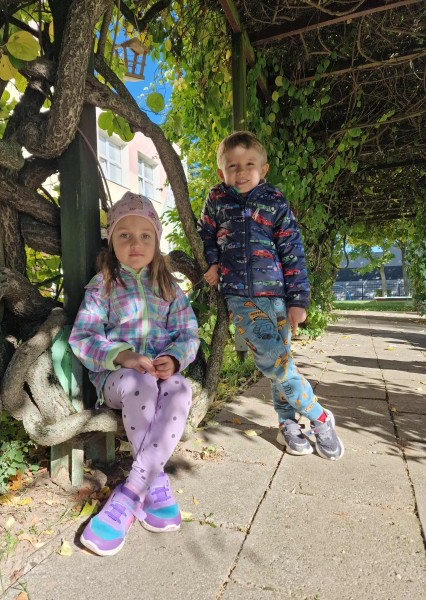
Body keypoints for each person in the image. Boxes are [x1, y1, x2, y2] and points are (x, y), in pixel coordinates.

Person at [197, 131, 344, 461]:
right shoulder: (217, 199)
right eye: (232, 166)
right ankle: (320, 416)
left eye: (249, 164)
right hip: (239, 298)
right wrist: (212, 262)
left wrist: (298, 301)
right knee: (274, 362)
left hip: (277, 297)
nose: (241, 172)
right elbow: (204, 233)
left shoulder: (274, 200)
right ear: (221, 172)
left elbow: (292, 250)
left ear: (263, 169)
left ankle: (287, 423)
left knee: (283, 362)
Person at [69, 192, 199, 557]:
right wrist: (122, 356)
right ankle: (147, 487)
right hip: (119, 380)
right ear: (111, 241)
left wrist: (174, 358)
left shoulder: (169, 288)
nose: (135, 243)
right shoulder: (103, 285)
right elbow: (82, 337)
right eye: (124, 235)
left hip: (161, 375)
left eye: (145, 236)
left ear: (157, 242)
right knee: (140, 382)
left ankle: (135, 489)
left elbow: (188, 335)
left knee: (181, 389)